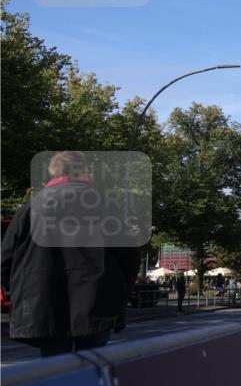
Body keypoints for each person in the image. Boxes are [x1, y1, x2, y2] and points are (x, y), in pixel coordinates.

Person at [0, 150, 140, 357]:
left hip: (44, 306)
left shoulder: (28, 211)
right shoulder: (106, 208)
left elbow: (5, 261)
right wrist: (120, 295)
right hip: (96, 305)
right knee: (92, 374)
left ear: (54, 174)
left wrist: (24, 293)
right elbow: (130, 259)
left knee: (56, 374)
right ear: (82, 171)